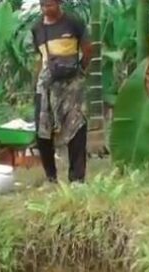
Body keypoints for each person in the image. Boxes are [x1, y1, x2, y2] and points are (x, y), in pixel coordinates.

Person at [31, 0, 92, 184]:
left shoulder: (73, 22)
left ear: (59, 3)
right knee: (42, 130)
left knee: (76, 127)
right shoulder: (37, 28)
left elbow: (88, 49)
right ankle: (51, 177)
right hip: (46, 84)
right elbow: (39, 57)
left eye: (50, 5)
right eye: (43, 5)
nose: (46, 9)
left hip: (72, 83)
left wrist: (80, 70)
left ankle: (77, 178)